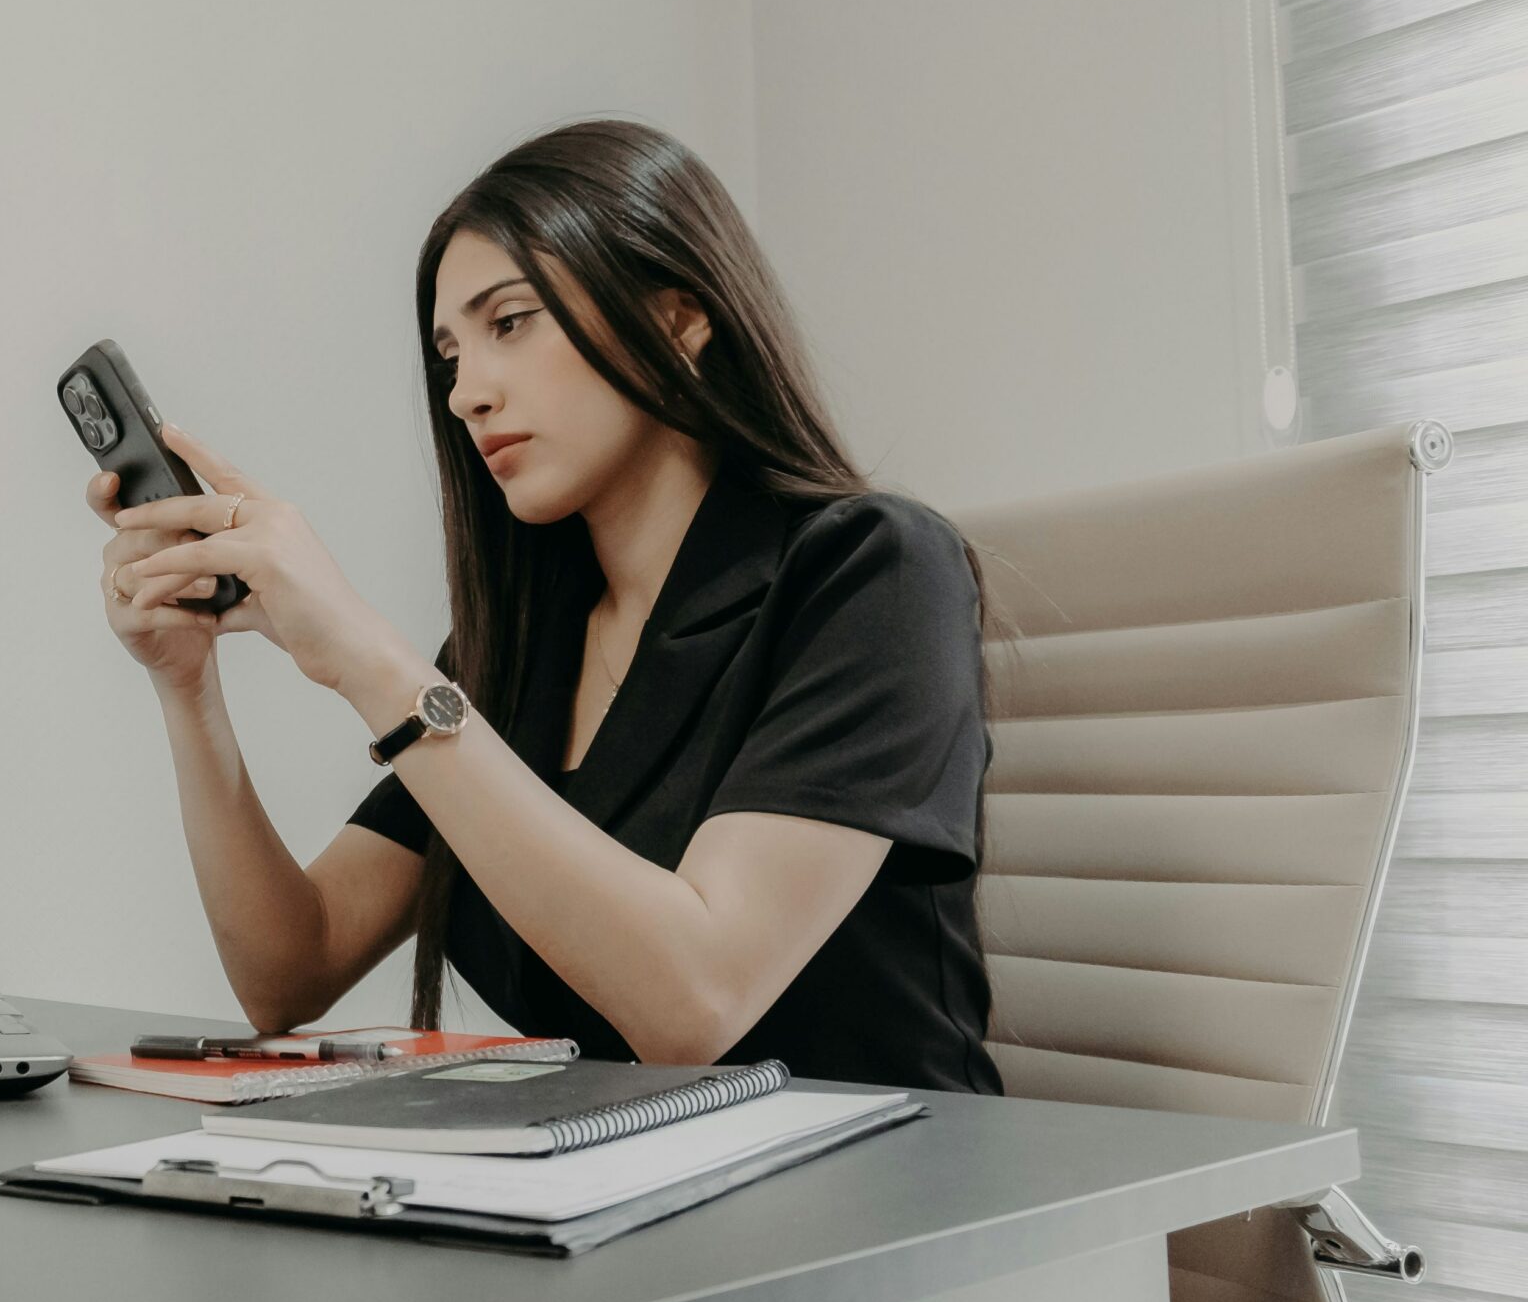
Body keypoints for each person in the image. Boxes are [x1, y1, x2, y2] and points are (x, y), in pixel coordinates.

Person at [85, 118, 1001, 1094]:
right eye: (447, 354)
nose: (465, 394)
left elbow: (694, 1002)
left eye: (508, 322)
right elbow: (291, 967)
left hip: (883, 1198)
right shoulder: (524, 643)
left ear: (680, 317)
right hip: (611, 1190)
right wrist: (188, 690)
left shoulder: (876, 571)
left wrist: (369, 658)